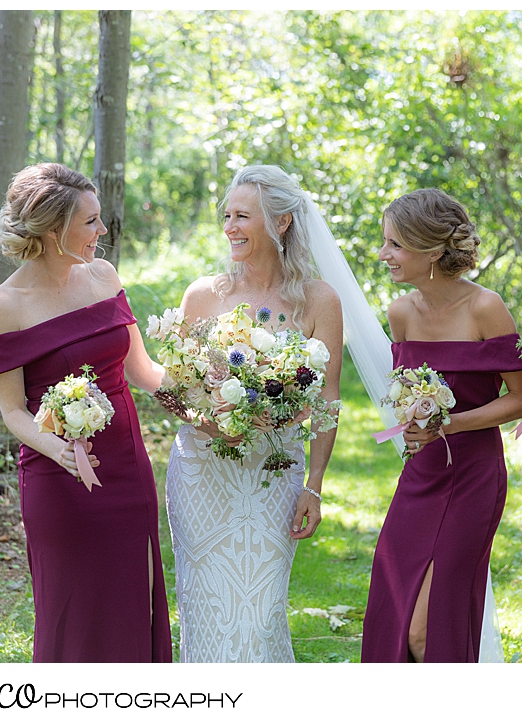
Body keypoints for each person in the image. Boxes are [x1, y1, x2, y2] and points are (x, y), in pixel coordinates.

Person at [0, 163, 173, 663]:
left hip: (126, 467)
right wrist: (61, 450)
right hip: (59, 477)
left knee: (136, 598)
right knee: (74, 612)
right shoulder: (3, 307)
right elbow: (15, 413)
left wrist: (218, 385)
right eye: (90, 222)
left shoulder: (103, 276)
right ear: (51, 229)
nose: (102, 232)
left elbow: (144, 371)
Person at [165, 165, 343, 662]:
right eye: (227, 215)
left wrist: (315, 484)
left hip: (273, 474)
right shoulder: (203, 295)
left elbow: (327, 399)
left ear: (281, 222)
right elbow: (171, 391)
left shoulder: (319, 299)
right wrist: (214, 420)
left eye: (243, 215)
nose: (230, 227)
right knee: (204, 611)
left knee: (262, 614)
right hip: (203, 473)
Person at [361, 188, 522, 663]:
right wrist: (414, 420)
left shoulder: (486, 308)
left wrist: (452, 424)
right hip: (420, 478)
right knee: (394, 612)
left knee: (429, 628)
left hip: (472, 478)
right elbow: (407, 396)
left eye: (395, 244)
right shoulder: (400, 314)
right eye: (385, 243)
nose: (384, 255)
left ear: (433, 249)